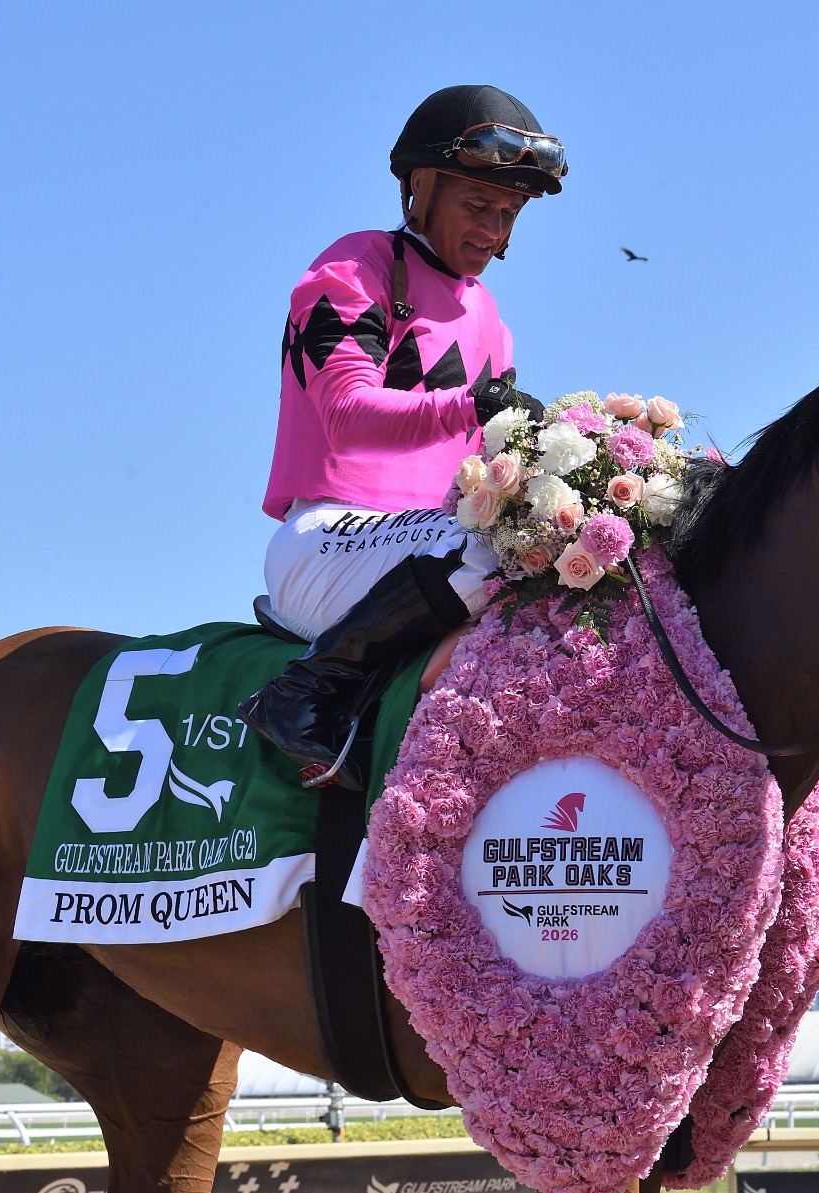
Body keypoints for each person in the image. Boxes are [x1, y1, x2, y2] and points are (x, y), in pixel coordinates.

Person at [238, 85, 564, 790]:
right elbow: (348, 415)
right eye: (479, 206)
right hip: (325, 543)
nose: (494, 231)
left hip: (427, 547)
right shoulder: (354, 268)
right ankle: (304, 691)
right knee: (485, 547)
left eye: (510, 215)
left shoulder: (493, 323)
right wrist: (474, 406)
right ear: (420, 187)